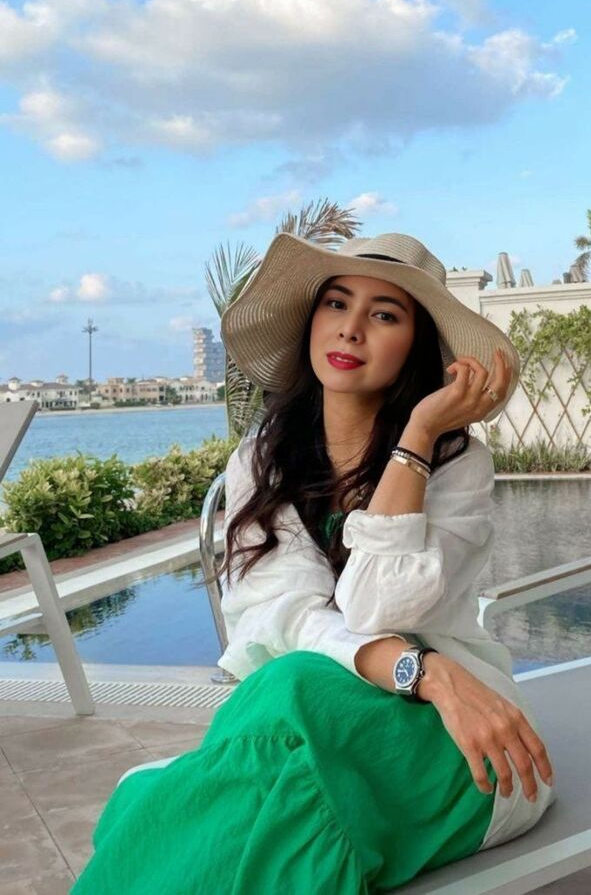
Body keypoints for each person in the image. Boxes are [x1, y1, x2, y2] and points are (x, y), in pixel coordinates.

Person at [72, 231, 556, 894]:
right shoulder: (261, 460)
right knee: (279, 733)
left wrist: (416, 438)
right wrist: (421, 669)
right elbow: (285, 618)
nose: (351, 329)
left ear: (414, 345)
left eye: (384, 314)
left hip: (461, 741)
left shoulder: (455, 463)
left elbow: (376, 607)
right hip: (317, 724)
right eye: (336, 303)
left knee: (237, 752)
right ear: (311, 320)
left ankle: (162, 810)